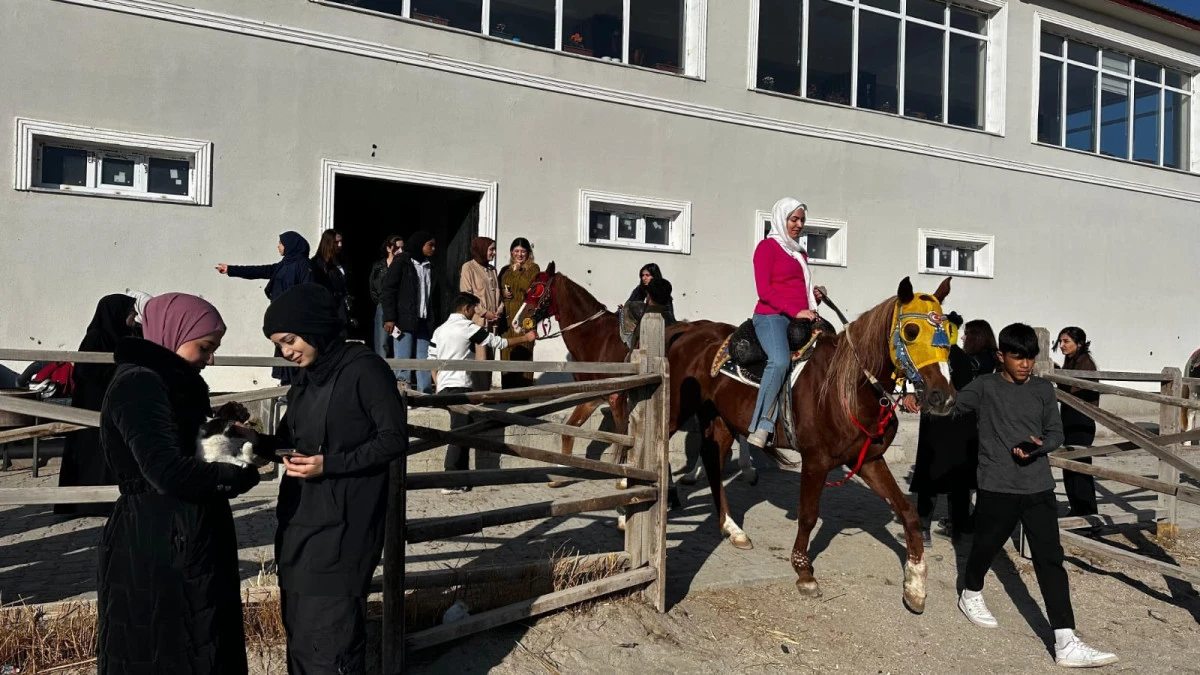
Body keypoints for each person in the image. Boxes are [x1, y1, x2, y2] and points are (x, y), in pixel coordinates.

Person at [245, 283, 407, 674]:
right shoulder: (307, 377)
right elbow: (288, 443)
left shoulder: (364, 368)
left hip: (344, 531)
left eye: (289, 340)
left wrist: (329, 465)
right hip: (300, 526)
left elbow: (393, 439)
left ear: (314, 326)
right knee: (301, 635)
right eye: (279, 345)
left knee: (331, 645)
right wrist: (252, 440)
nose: (286, 352)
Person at [97, 293, 261, 675]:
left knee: (196, 642)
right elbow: (165, 470)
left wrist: (217, 429)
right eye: (205, 347)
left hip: (180, 531)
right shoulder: (140, 385)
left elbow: (178, 443)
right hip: (159, 540)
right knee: (166, 648)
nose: (210, 358)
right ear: (174, 333)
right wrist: (237, 476)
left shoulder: (167, 383)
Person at [945, 323, 1117, 668]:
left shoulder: (1041, 389)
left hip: (1039, 487)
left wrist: (1040, 447)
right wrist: (918, 396)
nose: (1025, 364)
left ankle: (1065, 641)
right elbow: (949, 405)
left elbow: (1055, 432)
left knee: (1051, 560)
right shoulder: (984, 387)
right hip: (997, 486)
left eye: (1030, 357)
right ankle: (971, 591)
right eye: (1017, 357)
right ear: (1001, 356)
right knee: (985, 547)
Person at [429, 292, 535, 494]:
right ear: (466, 308)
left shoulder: (439, 330)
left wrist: (438, 384)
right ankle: (449, 480)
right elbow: (498, 343)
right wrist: (525, 337)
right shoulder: (467, 327)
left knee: (463, 430)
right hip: (460, 386)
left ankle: (460, 479)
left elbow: (430, 360)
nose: (474, 314)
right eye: (474, 310)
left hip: (444, 388)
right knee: (459, 434)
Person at [905, 314, 994, 545]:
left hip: (946, 421)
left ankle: (925, 528)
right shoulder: (973, 358)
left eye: (968, 333)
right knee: (959, 478)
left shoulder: (967, 358)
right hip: (963, 423)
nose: (964, 337)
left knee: (932, 477)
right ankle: (958, 525)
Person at [747, 197, 823, 449]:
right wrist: (797, 310)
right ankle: (762, 424)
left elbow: (797, 290)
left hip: (796, 316)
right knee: (779, 361)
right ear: (781, 219)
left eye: (802, 220)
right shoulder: (766, 248)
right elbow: (765, 291)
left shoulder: (799, 252)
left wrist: (814, 299)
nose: (799, 224)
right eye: (794, 219)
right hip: (771, 316)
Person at [55, 294, 140, 517]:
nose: (134, 315)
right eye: (131, 311)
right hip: (94, 404)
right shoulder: (96, 337)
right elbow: (86, 371)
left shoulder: (126, 334)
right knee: (92, 454)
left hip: (116, 403)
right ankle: (88, 503)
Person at [216, 231, 315, 385]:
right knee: (283, 353)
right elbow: (260, 270)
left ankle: (296, 388)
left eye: (281, 243)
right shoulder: (284, 265)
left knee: (294, 353)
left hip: (294, 320)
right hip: (281, 318)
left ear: (290, 245)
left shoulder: (303, 265)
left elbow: (308, 292)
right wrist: (231, 269)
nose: (279, 247)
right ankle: (286, 386)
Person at [381, 230, 439, 393]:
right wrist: (389, 317)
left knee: (424, 359)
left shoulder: (430, 266)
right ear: (420, 245)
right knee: (404, 360)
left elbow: (433, 295)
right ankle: (403, 394)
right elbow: (388, 290)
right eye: (430, 245)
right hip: (404, 320)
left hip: (424, 320)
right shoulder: (403, 262)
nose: (433, 248)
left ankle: (424, 393)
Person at [1055, 326, 1100, 517]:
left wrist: (1056, 373)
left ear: (1079, 343)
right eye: (1061, 341)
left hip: (1081, 419)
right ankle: (1076, 509)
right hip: (1069, 417)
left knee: (1080, 467)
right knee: (1069, 466)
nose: (1062, 345)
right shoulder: (1071, 361)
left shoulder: (1085, 362)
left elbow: (1074, 390)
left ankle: (1087, 513)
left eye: (1066, 341)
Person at [498, 237, 540, 389]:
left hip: (525, 318)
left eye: (523, 251)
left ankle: (523, 393)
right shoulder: (505, 270)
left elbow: (529, 288)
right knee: (507, 354)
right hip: (507, 319)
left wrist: (517, 272)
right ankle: (507, 393)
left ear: (529, 253)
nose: (519, 255)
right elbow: (497, 290)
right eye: (516, 251)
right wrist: (503, 292)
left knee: (524, 353)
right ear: (511, 252)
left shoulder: (533, 269)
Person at [369, 234, 404, 359]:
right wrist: (380, 302)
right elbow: (374, 288)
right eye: (398, 248)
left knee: (399, 339)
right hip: (383, 305)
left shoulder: (404, 265)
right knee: (382, 341)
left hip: (399, 305)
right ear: (389, 249)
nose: (401, 251)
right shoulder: (379, 267)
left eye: (402, 248)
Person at [311, 229, 353, 329]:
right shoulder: (317, 263)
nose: (340, 245)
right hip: (327, 309)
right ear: (328, 243)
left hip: (343, 308)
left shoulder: (342, 260)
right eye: (336, 242)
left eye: (341, 242)